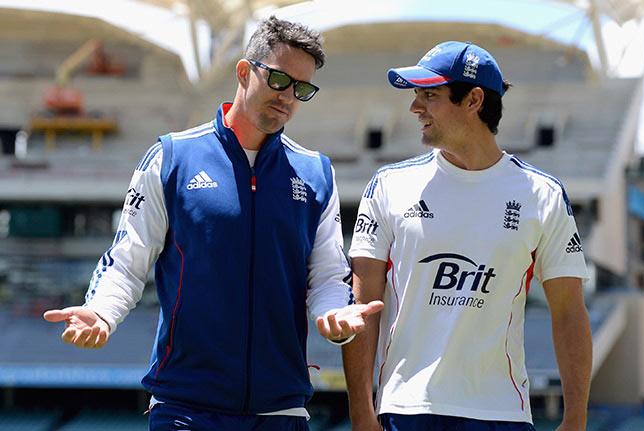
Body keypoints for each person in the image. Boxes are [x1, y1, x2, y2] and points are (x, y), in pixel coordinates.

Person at [43, 16, 382, 431]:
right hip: (185, 406)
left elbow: (328, 275)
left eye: (302, 88)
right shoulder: (172, 158)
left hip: (280, 409)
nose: (288, 97)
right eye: (278, 80)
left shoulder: (315, 174)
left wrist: (334, 313)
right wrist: (101, 312)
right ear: (244, 72)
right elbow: (128, 259)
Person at [343, 41, 592, 431]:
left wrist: (575, 418)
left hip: (502, 414)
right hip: (407, 411)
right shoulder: (388, 186)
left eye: (430, 95)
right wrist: (361, 412)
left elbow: (569, 312)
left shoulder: (543, 195)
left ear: (474, 100)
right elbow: (362, 304)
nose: (414, 108)